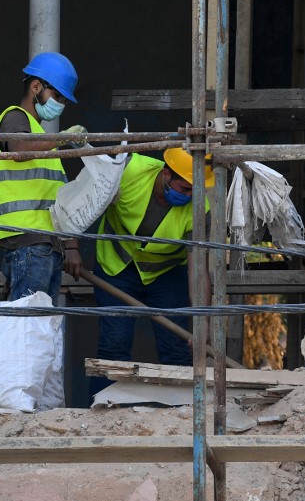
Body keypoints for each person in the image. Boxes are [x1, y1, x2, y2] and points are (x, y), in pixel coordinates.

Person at [88, 147, 213, 399]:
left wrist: (202, 321)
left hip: (166, 275)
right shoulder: (128, 170)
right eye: (185, 189)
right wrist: (71, 247)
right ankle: (102, 415)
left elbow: (198, 270)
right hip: (117, 266)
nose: (190, 196)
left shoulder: (201, 210)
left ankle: (180, 418)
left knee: (177, 348)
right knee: (114, 344)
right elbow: (84, 202)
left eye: (195, 190)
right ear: (166, 174)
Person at [0, 51, 85, 301]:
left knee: (39, 327)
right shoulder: (14, 117)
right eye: (58, 96)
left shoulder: (42, 139)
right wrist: (62, 138)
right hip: (27, 242)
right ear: (35, 87)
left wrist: (71, 245)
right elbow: (19, 150)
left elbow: (60, 197)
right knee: (27, 325)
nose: (60, 104)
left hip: (45, 245)